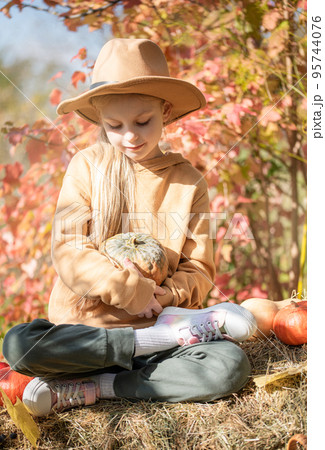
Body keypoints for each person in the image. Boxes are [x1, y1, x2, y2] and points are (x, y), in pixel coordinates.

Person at [2, 38, 256, 417]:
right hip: (87, 336)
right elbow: (69, 251)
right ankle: (135, 356)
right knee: (20, 344)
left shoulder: (188, 182)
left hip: (162, 338)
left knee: (229, 366)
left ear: (165, 110)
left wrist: (165, 299)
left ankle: (102, 387)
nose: (130, 136)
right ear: (101, 123)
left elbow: (199, 270)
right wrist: (132, 292)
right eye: (115, 126)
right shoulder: (87, 167)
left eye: (142, 121)